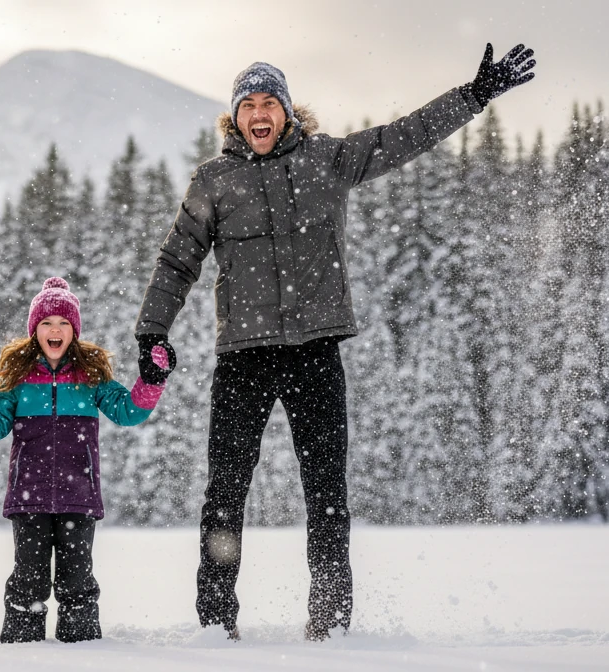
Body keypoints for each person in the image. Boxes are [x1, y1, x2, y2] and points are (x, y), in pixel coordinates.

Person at [133, 45, 537, 641]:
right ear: (235, 118)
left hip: (315, 351)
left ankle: (331, 624)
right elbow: (176, 262)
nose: (260, 113)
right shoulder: (214, 182)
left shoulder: (328, 159)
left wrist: (472, 97)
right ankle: (216, 628)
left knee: (327, 494)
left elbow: (406, 136)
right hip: (243, 357)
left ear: (289, 112)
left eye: (271, 102)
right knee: (225, 491)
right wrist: (151, 332)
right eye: (250, 104)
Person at [0, 277, 172, 643]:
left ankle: (81, 649)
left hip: (78, 496)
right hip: (29, 496)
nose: (55, 330)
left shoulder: (91, 375)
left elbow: (128, 411)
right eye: (47, 323)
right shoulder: (15, 378)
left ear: (74, 330)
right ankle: (21, 653)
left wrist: (152, 380)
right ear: (35, 330)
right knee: (28, 580)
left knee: (77, 580)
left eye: (63, 323)